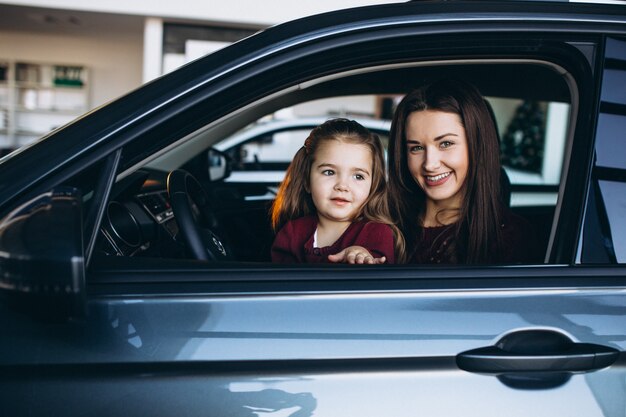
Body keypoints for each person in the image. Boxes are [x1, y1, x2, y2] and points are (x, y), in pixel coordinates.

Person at [387, 79, 541, 264]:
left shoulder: (510, 237)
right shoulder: (383, 222)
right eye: (416, 148)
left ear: (476, 146)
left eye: (446, 144)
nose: (430, 164)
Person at [270, 118, 401, 264]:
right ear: (307, 180)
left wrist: (362, 257)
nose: (342, 186)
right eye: (329, 172)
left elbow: (379, 276)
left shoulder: (377, 233)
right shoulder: (292, 232)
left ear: (373, 186)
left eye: (358, 176)